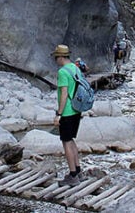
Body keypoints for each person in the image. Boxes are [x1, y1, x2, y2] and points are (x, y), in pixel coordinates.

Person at [53, 44, 82, 186]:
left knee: (66, 142)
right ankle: (78, 170)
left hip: (67, 112)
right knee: (71, 140)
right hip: (77, 109)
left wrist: (59, 113)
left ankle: (72, 176)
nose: (55, 60)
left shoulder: (63, 72)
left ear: (60, 57)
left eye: (56, 57)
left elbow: (64, 94)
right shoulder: (75, 68)